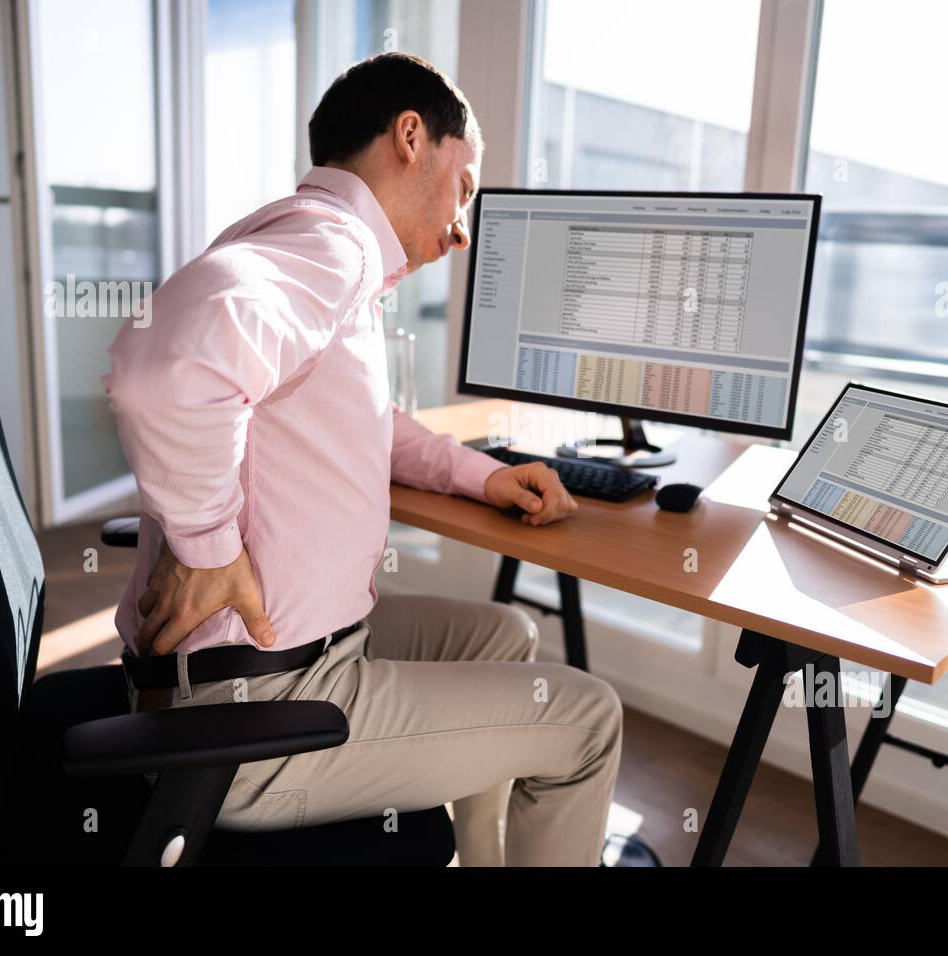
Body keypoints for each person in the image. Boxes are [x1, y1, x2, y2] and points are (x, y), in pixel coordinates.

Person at [102, 52, 622, 866]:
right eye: (465, 187)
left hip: (244, 675)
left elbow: (365, 420)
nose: (462, 228)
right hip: (259, 716)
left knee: (505, 635)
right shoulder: (334, 246)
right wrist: (209, 544)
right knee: (588, 720)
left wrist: (479, 475)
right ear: (410, 137)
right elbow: (160, 373)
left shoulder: (299, 237)